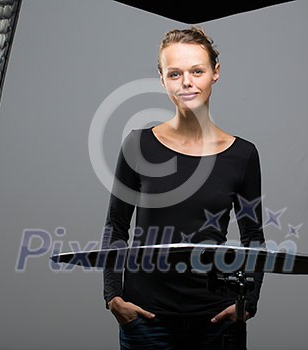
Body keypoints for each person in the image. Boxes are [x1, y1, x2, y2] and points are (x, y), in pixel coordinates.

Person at [102, 26, 264, 349]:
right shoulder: (138, 145)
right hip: (147, 320)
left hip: (215, 319)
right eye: (175, 73)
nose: (187, 82)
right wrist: (112, 296)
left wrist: (250, 300)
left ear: (215, 73)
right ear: (161, 78)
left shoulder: (242, 154)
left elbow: (253, 237)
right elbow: (117, 226)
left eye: (197, 71)